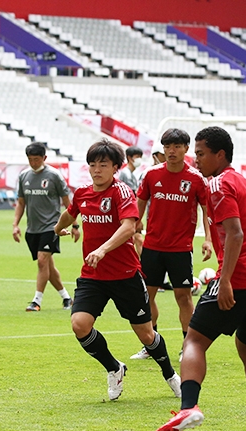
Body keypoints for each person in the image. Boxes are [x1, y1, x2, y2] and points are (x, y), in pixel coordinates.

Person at [152, 126, 246, 431]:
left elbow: (235, 234)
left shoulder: (220, 184)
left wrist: (224, 281)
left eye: (200, 154)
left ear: (219, 155)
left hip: (238, 278)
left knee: (193, 340)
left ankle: (188, 406)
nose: (196, 160)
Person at [54, 138, 181, 401]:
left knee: (146, 334)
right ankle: (114, 368)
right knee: (79, 324)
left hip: (125, 276)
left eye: (103, 164)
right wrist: (57, 228)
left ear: (115, 168)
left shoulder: (121, 192)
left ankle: (170, 374)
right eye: (92, 164)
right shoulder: (83, 193)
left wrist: (102, 249)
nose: (97, 170)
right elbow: (70, 212)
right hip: (93, 276)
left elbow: (128, 227)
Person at [130, 129, 212, 362]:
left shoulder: (196, 179)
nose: (171, 151)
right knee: (147, 296)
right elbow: (139, 205)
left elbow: (207, 210)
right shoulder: (151, 175)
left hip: (181, 249)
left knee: (183, 297)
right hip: (153, 247)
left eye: (176, 146)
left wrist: (207, 239)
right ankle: (151, 344)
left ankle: (189, 345)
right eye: (167, 147)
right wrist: (134, 229)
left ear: (186, 148)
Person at [13, 142, 80, 311]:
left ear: (44, 158)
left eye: (37, 159)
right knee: (48, 266)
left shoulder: (54, 176)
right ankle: (66, 298)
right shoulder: (24, 176)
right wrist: (15, 225)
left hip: (52, 227)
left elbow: (67, 202)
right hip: (32, 229)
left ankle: (36, 301)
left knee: (42, 261)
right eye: (30, 159)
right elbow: (21, 203)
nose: (33, 163)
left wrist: (75, 225)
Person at [118, 146, 144, 256]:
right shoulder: (126, 174)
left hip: (128, 213)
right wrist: (137, 218)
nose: (139, 159)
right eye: (137, 156)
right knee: (136, 238)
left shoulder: (131, 174)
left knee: (135, 239)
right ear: (129, 158)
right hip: (128, 213)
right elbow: (132, 196)